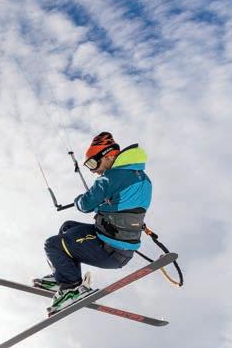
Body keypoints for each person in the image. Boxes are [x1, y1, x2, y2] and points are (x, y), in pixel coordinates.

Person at [33, 132, 152, 314]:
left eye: (93, 163)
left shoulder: (112, 177)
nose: (93, 170)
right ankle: (62, 276)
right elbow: (125, 204)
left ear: (109, 156)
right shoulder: (141, 177)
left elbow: (85, 204)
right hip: (119, 245)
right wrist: (105, 206)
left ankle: (72, 288)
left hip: (110, 249)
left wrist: (80, 200)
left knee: (53, 245)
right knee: (68, 227)